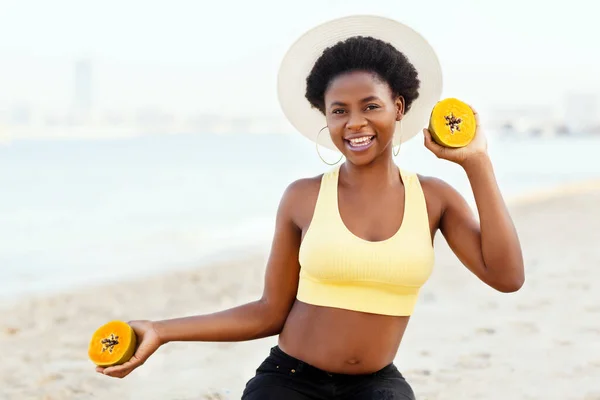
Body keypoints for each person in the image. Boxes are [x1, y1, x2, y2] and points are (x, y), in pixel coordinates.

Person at [95, 15, 525, 399]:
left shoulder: (434, 198)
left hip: (377, 385)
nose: (354, 122)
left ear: (398, 108)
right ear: (326, 117)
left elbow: (507, 277)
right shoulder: (302, 197)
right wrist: (162, 331)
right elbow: (269, 311)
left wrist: (476, 163)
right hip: (289, 380)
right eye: (339, 110)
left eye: (370, 106)